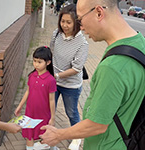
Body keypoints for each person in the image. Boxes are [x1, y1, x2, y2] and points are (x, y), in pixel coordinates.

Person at [40, 0, 145, 150]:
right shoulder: (144, 44)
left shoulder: (113, 67)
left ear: (99, 13)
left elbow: (97, 125)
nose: (80, 27)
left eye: (80, 19)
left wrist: (58, 135)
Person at [50, 3, 88, 150]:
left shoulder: (82, 43)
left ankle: (77, 137)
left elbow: (76, 69)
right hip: (54, 81)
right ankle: (47, 134)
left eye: (68, 22)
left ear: (76, 23)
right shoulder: (56, 34)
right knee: (49, 109)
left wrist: (57, 76)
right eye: (62, 21)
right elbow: (51, 53)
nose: (64, 25)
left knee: (71, 113)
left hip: (71, 85)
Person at [14, 46, 57, 150]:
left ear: (48, 62)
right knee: (30, 135)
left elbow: (51, 100)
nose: (36, 64)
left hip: (43, 114)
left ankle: (53, 147)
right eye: (34, 61)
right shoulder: (32, 76)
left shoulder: (50, 80)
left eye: (39, 62)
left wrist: (52, 117)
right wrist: (20, 106)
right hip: (30, 112)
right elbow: (28, 91)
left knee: (45, 134)